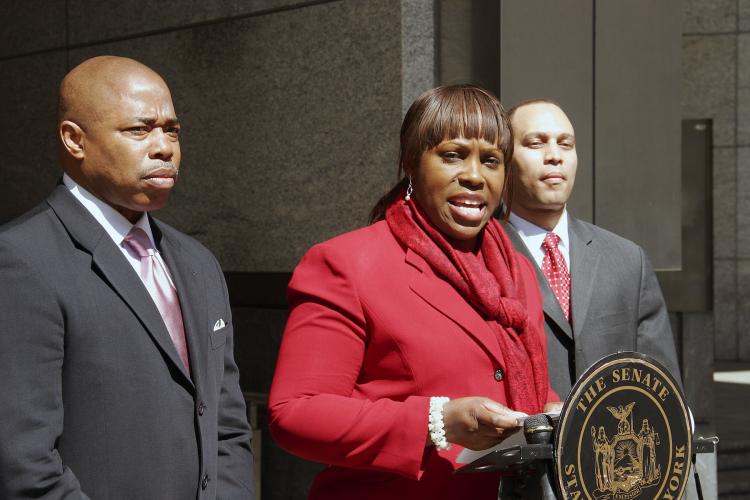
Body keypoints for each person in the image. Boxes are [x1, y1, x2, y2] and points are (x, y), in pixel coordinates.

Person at [268, 85, 560, 499]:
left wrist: (554, 411)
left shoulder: (517, 271)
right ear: (411, 163)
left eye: (491, 161)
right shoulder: (346, 263)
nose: (475, 176)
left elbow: (517, 381)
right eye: (453, 155)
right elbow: (294, 412)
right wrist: (435, 421)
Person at [0, 56, 254, 499]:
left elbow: (226, 425)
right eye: (139, 130)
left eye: (171, 130)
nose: (164, 147)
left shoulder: (198, 262)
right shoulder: (22, 261)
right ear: (74, 140)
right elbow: (23, 463)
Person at [502, 99, 681, 398]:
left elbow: (663, 385)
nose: (554, 156)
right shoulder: (480, 255)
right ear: (504, 159)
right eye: (536, 143)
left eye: (566, 144)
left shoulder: (627, 260)